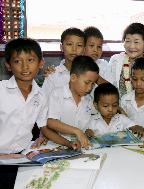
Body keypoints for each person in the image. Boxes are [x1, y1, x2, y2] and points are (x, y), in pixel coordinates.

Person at [0, 38, 51, 188]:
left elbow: (43, 125)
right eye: (17, 61)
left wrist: (42, 135)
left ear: (41, 63)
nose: (25, 66)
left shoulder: (41, 96)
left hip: (22, 159)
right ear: (8, 65)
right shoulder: (1, 90)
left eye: (30, 60)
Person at [42, 55, 100, 149]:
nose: (89, 88)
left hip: (81, 145)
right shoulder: (57, 94)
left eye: (92, 84)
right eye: (86, 82)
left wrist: (88, 131)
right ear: (73, 78)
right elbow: (51, 122)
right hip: (58, 144)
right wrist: (76, 131)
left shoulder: (88, 99)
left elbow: (91, 120)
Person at [108, 22, 144, 108]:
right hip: (119, 111)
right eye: (128, 41)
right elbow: (109, 88)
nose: (131, 46)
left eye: (136, 42)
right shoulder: (116, 61)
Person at [41, 27, 85, 96]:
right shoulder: (53, 75)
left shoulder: (89, 74)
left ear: (84, 50)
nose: (74, 49)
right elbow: (44, 101)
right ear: (61, 47)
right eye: (69, 44)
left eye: (79, 45)